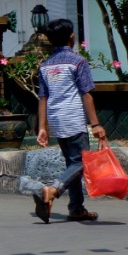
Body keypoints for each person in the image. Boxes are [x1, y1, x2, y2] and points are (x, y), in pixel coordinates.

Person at [33, 18, 108, 223]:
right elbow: (86, 95)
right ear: (72, 37)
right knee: (81, 162)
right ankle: (53, 190)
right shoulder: (78, 61)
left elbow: (43, 97)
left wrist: (42, 127)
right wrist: (96, 124)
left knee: (72, 162)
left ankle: (76, 208)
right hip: (73, 118)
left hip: (56, 120)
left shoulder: (45, 65)